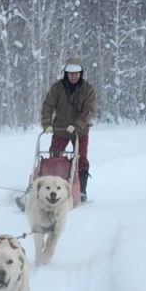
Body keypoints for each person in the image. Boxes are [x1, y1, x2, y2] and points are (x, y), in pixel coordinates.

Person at [40, 56, 97, 202]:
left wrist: (77, 125)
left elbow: (89, 110)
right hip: (60, 128)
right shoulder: (57, 88)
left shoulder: (87, 89)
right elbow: (48, 105)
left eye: (76, 74)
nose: (73, 77)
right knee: (55, 156)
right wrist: (47, 124)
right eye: (71, 74)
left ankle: (81, 190)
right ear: (66, 74)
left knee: (81, 159)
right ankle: (52, 188)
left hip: (80, 130)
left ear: (80, 74)